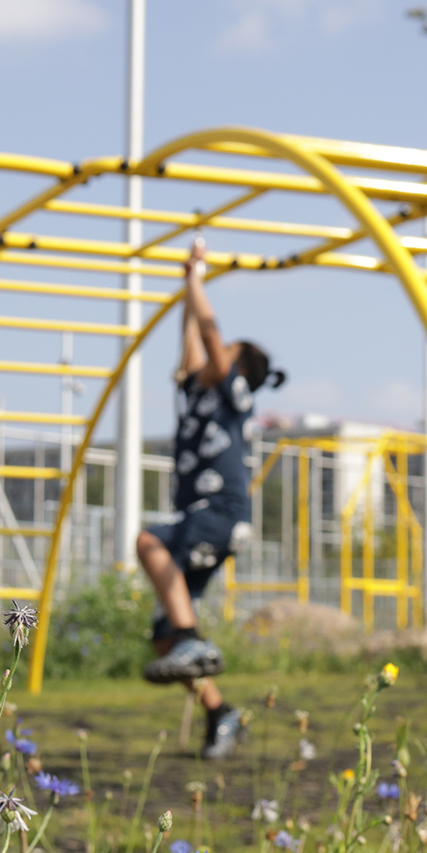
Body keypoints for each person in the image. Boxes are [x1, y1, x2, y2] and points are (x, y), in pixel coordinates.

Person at [138, 238, 285, 759]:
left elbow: (208, 331)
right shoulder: (199, 391)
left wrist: (197, 275)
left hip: (218, 513)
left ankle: (191, 634)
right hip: (201, 518)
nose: (210, 356)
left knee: (148, 540)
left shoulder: (232, 392)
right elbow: (192, 344)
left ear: (237, 368)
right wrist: (185, 287)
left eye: (223, 354)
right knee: (164, 642)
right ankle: (222, 713)